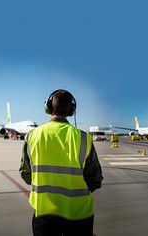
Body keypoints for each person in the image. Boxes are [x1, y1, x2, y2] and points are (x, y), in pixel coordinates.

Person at [19, 89, 103, 236]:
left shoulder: (32, 136)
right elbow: (95, 179)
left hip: (44, 212)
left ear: (49, 107)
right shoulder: (84, 138)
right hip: (79, 214)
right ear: (72, 110)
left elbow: (25, 173)